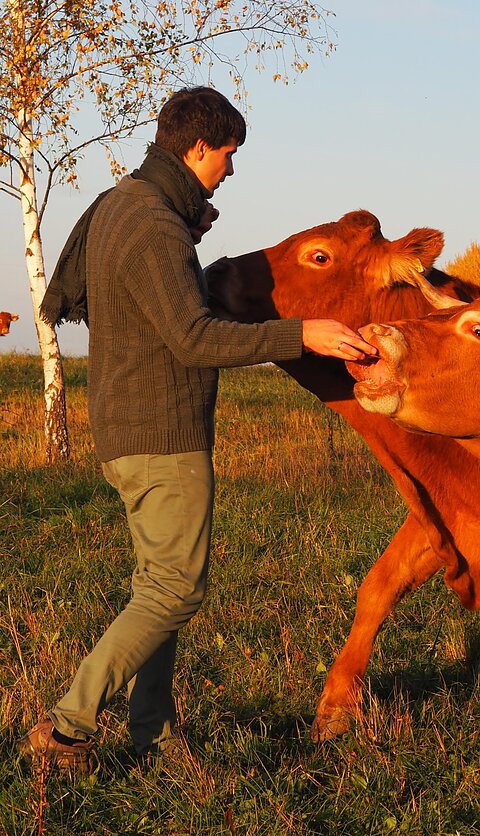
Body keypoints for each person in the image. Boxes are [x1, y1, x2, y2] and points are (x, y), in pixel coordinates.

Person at [18, 86, 376, 775]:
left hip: (131, 426)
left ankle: (153, 737)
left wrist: (186, 238)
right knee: (174, 590)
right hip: (161, 432)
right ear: (198, 147)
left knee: (158, 585)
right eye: (228, 156)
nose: (231, 172)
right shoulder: (152, 224)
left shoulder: (124, 207)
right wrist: (305, 334)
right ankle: (66, 729)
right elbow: (192, 337)